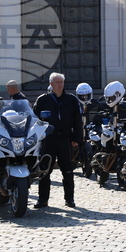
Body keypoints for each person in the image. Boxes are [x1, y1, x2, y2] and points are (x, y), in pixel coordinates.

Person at [33, 72, 83, 208]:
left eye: (61, 82)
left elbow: (78, 120)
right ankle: (43, 199)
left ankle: (69, 199)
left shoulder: (71, 100)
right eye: (57, 82)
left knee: (67, 170)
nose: (60, 85)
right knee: (44, 170)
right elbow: (35, 120)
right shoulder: (43, 100)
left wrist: (77, 138)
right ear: (51, 84)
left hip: (65, 138)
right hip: (48, 139)